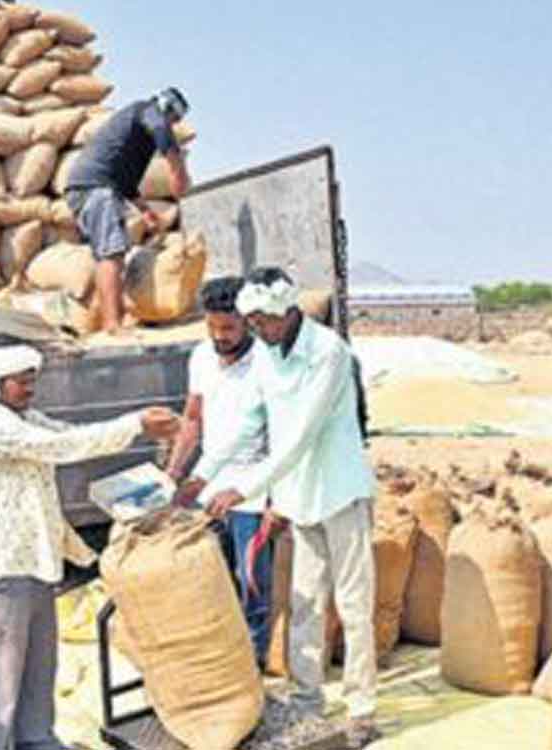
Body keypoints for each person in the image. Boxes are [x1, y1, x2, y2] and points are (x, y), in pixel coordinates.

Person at [0, 345, 179, 750]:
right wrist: (135, 423)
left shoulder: (27, 419)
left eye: (32, 379)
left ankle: (35, 739)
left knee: (39, 665)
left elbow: (66, 435)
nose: (30, 388)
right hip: (5, 565)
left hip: (39, 562)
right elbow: (66, 448)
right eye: (20, 381)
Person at [198, 268, 379, 748]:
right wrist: (200, 475)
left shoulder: (328, 353)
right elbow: (247, 422)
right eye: (252, 320)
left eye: (265, 320)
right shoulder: (264, 355)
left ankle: (363, 708)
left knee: (355, 605)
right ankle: (306, 698)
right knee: (304, 603)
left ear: (289, 310)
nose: (259, 329)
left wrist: (246, 488)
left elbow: (300, 433)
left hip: (340, 492)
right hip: (300, 497)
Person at [165, 276, 274, 669]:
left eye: (227, 328)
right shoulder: (200, 358)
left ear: (247, 321)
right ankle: (222, 664)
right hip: (209, 487)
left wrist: (274, 499)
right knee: (213, 578)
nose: (219, 336)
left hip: (252, 491)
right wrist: (174, 473)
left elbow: (275, 434)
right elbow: (192, 419)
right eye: (211, 327)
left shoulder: (267, 363)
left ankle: (252, 667)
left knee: (252, 587)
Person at [65, 88, 192, 334]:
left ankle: (112, 316)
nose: (173, 125)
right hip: (96, 188)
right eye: (173, 119)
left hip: (94, 187)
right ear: (167, 109)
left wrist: (145, 210)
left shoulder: (137, 135)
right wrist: (178, 172)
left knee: (110, 255)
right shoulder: (147, 111)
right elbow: (162, 132)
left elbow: (125, 182)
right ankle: (112, 324)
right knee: (111, 255)